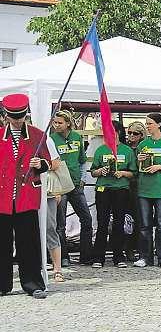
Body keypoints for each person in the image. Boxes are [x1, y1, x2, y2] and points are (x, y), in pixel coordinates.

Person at [0, 94, 49, 298]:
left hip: (26, 195)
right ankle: (2, 284)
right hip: (3, 196)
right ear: (6, 115)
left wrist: (41, 165)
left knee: (28, 242)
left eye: (20, 116)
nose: (17, 120)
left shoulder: (38, 135)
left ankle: (32, 283)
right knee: (2, 242)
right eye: (14, 116)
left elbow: (48, 161)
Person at [133, 113, 161, 269]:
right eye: (146, 123)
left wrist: (160, 167)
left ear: (159, 124)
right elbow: (136, 168)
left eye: (150, 123)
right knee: (145, 225)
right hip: (144, 189)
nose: (148, 126)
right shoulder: (142, 144)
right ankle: (144, 256)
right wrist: (139, 160)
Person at [90, 121, 137, 268]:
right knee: (102, 222)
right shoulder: (100, 150)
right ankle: (98, 257)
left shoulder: (127, 151)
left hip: (121, 189)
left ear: (118, 133)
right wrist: (100, 171)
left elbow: (133, 173)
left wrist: (122, 173)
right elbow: (93, 171)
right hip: (103, 189)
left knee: (119, 223)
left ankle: (118, 256)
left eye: (113, 132)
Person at [51, 110, 93, 266]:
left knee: (86, 219)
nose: (56, 125)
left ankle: (86, 255)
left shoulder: (77, 137)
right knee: (60, 223)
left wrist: (83, 178)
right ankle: (63, 257)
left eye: (59, 122)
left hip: (76, 184)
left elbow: (82, 160)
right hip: (60, 185)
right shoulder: (52, 139)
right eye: (55, 122)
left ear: (68, 123)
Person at [122, 120, 146, 261]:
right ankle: (127, 247)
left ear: (141, 135)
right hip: (125, 185)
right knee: (125, 218)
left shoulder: (143, 148)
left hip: (139, 186)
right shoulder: (124, 148)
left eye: (135, 133)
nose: (131, 135)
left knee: (139, 218)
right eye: (129, 132)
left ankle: (138, 247)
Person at [46, 135, 65, 282]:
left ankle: (57, 268)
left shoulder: (44, 138)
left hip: (46, 189)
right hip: (19, 189)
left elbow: (56, 163)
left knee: (50, 227)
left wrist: (40, 164)